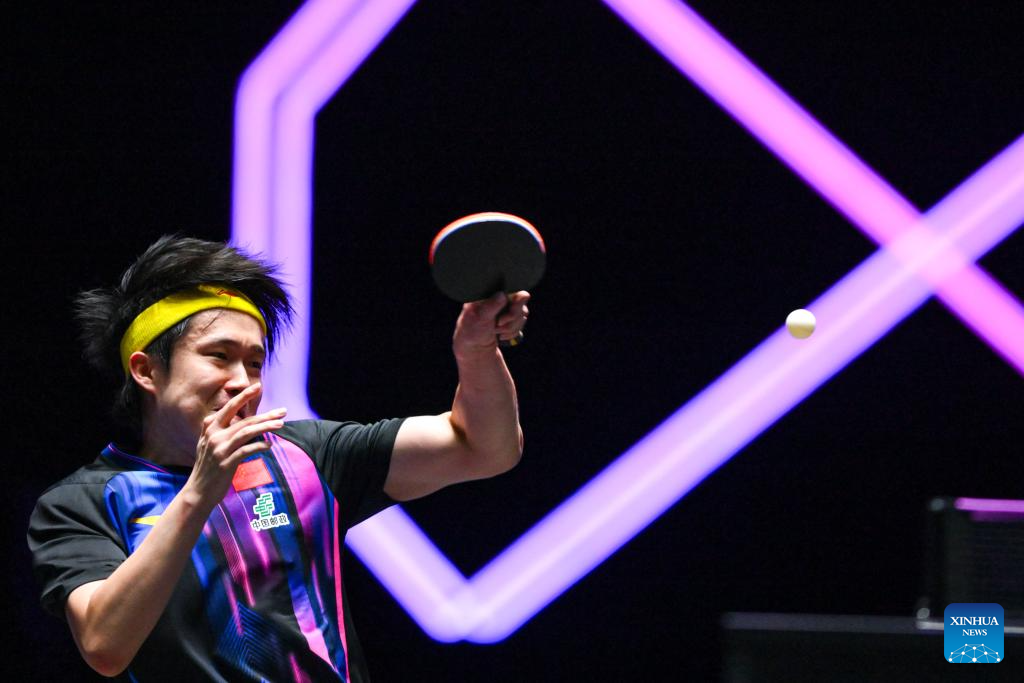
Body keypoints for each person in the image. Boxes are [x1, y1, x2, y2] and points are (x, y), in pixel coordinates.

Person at [27, 235, 529, 682]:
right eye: (219, 356)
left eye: (254, 362)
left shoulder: (307, 456)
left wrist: (477, 351)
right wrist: (200, 492)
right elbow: (105, 646)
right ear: (146, 371)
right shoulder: (79, 504)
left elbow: (483, 447)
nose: (243, 382)